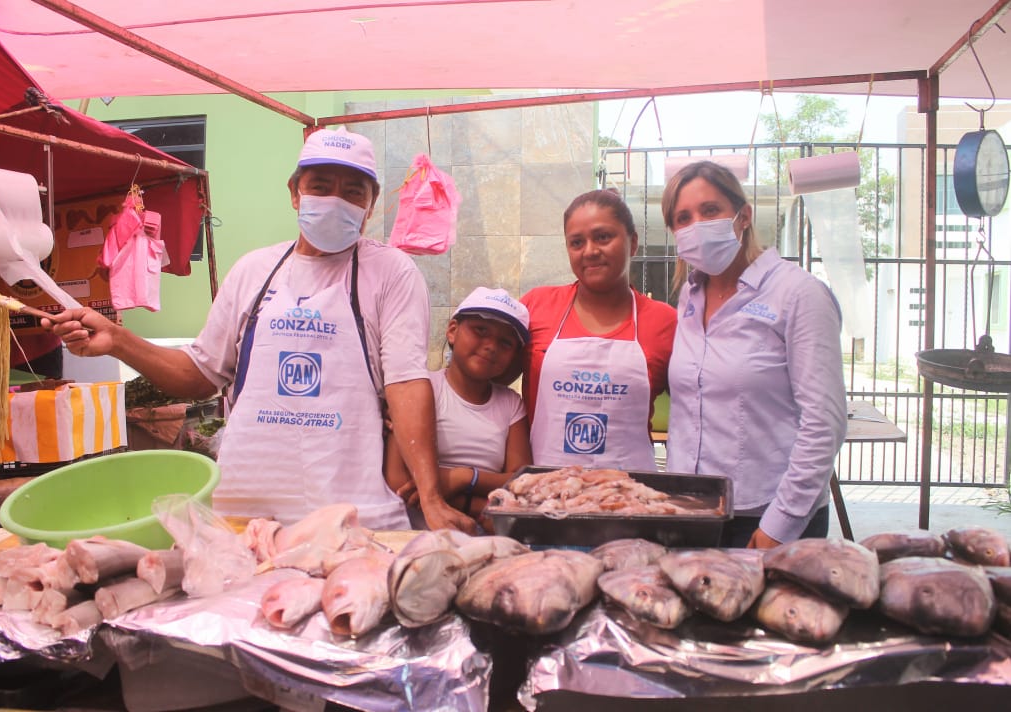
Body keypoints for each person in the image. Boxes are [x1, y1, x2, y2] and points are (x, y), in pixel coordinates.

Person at [44, 127, 474, 533]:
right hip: (243, 515)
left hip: (352, 516)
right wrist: (120, 341)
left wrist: (431, 497)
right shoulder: (255, 269)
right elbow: (200, 374)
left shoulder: (390, 272)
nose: (335, 201)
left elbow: (406, 382)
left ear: (371, 203)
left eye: (352, 192)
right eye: (321, 187)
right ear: (295, 192)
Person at [662, 160, 848, 549]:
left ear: (743, 216)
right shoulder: (690, 297)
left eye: (710, 211)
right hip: (693, 511)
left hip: (769, 519)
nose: (696, 225)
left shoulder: (798, 294)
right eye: (683, 218)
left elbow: (823, 422)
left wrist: (779, 525)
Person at [520, 189, 677, 471]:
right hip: (544, 497)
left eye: (603, 237)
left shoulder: (665, 322)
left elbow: (697, 410)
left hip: (631, 501)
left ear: (632, 243)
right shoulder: (535, 306)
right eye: (576, 242)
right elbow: (488, 388)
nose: (590, 251)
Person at [385, 287, 532, 526]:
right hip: (416, 528)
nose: (491, 346)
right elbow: (398, 481)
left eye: (505, 342)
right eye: (480, 330)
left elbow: (520, 480)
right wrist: (478, 508)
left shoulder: (511, 404)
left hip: (482, 531)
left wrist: (464, 478)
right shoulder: (423, 389)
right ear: (453, 331)